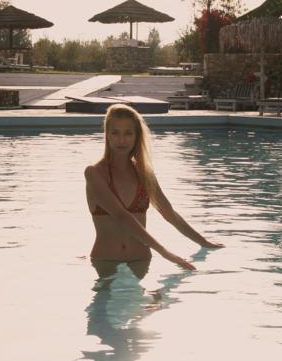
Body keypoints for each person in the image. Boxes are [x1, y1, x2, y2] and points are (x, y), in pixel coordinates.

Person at [85, 104, 222, 275]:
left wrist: (204, 242)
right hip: (106, 260)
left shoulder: (144, 174)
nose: (122, 140)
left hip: (141, 260)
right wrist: (164, 252)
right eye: (115, 133)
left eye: (128, 133)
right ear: (106, 134)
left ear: (137, 136)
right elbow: (121, 216)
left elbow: (169, 213)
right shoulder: (94, 173)